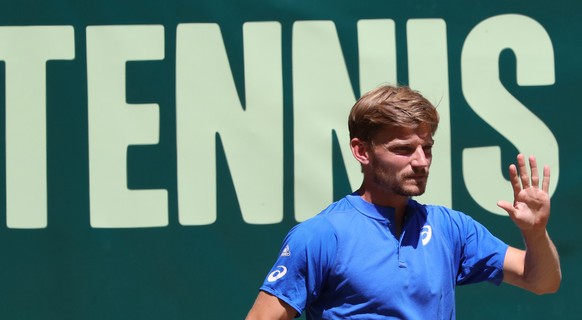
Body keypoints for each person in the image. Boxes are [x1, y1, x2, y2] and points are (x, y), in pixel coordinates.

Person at [246, 84, 561, 319]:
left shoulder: (452, 228)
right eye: (403, 149)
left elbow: (542, 281)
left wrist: (535, 233)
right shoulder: (322, 235)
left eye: (427, 148)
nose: (422, 161)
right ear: (362, 151)